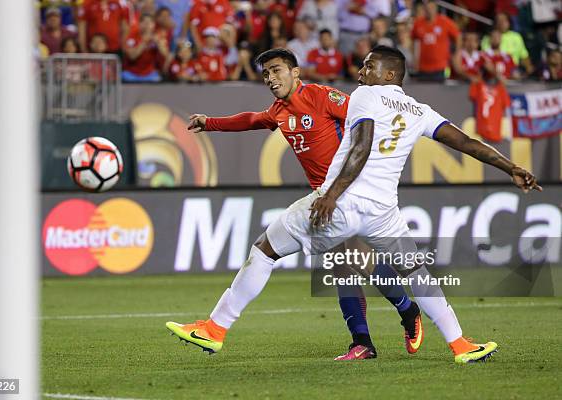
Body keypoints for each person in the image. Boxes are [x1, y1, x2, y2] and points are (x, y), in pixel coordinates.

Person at [168, 46, 543, 364]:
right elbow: (465, 142)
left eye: (368, 66)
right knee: (414, 273)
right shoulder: (419, 110)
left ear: (389, 72)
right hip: (383, 210)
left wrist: (331, 195)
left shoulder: (358, 96)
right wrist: (511, 167)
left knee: (265, 250)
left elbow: (361, 144)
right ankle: (459, 344)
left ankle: (214, 329)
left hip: (341, 200)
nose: (360, 72)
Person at [168, 48, 423, 361]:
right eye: (266, 74)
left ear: (295, 72)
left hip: (353, 193)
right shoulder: (278, 111)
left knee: (341, 263)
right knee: (353, 263)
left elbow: (369, 120)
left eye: (276, 70)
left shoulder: (322, 96)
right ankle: (401, 316)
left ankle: (372, 336)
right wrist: (210, 123)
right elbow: (251, 119)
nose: (271, 79)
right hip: (325, 198)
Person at [411, 0, 460, 82]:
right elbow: (413, 40)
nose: (429, 10)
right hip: (422, 67)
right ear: (424, 9)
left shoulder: (445, 22)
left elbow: (458, 36)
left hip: (441, 66)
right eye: (427, 8)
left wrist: (456, 53)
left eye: (432, 7)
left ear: (436, 8)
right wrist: (414, 58)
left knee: (439, 91)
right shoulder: (418, 23)